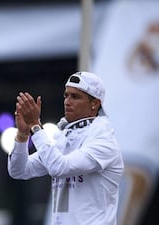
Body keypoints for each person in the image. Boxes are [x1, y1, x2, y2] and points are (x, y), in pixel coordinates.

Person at [8, 71, 124, 225]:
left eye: (75, 97)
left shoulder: (104, 141)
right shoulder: (64, 138)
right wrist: (22, 135)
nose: (67, 102)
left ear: (94, 104)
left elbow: (59, 167)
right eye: (66, 96)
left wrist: (35, 127)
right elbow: (19, 170)